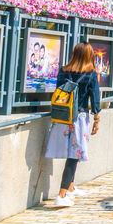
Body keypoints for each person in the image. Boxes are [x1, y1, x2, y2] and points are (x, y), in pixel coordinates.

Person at [45, 42, 102, 208]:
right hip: (79, 117)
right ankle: (62, 194)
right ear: (88, 56)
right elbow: (95, 98)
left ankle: (70, 187)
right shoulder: (91, 73)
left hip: (63, 117)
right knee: (74, 155)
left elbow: (59, 90)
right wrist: (97, 118)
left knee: (72, 152)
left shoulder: (63, 70)